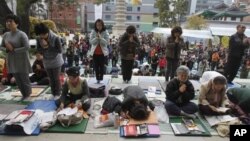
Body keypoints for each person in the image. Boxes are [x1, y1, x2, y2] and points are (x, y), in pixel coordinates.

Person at [0, 14, 32, 100]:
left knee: (24, 79)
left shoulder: (22, 34)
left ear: (16, 23)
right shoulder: (6, 35)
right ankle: (23, 95)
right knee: (18, 80)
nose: (8, 23)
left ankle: (28, 95)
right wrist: (7, 49)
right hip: (11, 60)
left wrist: (14, 50)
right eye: (7, 22)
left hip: (22, 60)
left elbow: (27, 47)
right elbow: (1, 46)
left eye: (11, 21)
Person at [34, 23, 64, 97]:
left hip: (56, 61)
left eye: (42, 34)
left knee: (56, 78)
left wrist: (47, 45)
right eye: (39, 35)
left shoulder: (55, 37)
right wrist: (42, 49)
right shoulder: (39, 38)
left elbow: (60, 50)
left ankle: (58, 94)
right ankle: (53, 93)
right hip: (46, 61)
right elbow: (38, 49)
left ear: (46, 32)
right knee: (50, 78)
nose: (41, 36)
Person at [89, 19, 109, 83]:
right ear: (96, 25)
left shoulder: (105, 32)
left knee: (102, 67)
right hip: (95, 53)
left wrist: (101, 38)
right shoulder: (93, 32)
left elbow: (106, 42)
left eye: (100, 25)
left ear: (102, 25)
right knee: (96, 67)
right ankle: (97, 79)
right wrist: (96, 38)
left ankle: (101, 79)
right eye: (97, 25)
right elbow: (91, 42)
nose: (99, 26)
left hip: (102, 53)